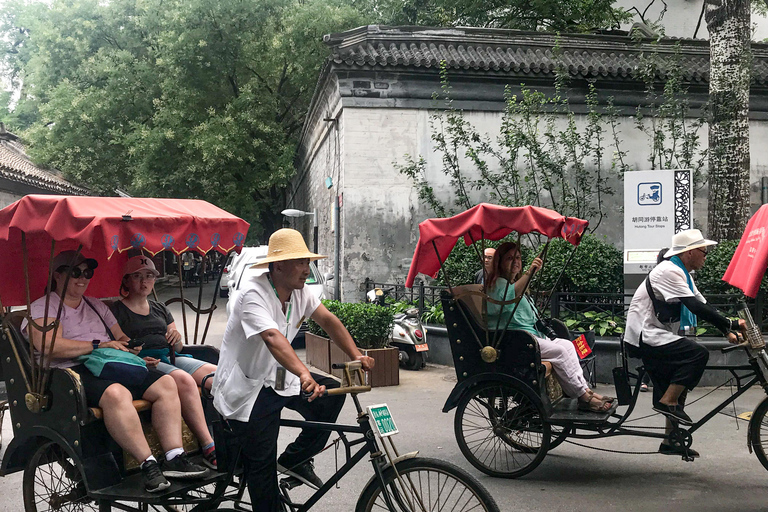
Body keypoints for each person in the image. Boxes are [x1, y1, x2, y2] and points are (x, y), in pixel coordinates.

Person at [212, 229, 375, 512]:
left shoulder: (301, 292)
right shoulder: (252, 294)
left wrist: (357, 354)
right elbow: (273, 338)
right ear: (278, 265)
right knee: (261, 469)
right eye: (300, 262)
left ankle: (293, 461)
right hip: (249, 391)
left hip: (279, 377)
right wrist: (303, 373)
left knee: (332, 397)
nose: (306, 269)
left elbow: (328, 321)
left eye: (306, 261)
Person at [23, 251, 207, 492]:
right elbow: (49, 345)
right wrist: (98, 345)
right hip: (71, 371)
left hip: (109, 361)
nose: (82, 278)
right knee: (117, 394)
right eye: (75, 272)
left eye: (86, 273)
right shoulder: (44, 307)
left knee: (166, 384)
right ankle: (148, 464)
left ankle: (174, 457)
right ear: (58, 275)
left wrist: (133, 349)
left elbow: (120, 337)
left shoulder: (96, 305)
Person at [625, 229, 746, 455]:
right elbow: (695, 307)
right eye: (704, 251)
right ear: (690, 252)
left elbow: (703, 304)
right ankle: (667, 400)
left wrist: (725, 328)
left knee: (676, 380)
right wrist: (732, 324)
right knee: (697, 354)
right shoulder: (668, 271)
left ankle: (670, 441)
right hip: (644, 335)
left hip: (658, 334)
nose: (705, 256)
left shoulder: (684, 274)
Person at [111, 255, 218, 469]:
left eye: (149, 276)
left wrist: (176, 338)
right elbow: (118, 345)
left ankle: (230, 432)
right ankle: (209, 445)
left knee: (219, 376)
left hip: (171, 357)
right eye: (137, 277)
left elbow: (178, 347)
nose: (144, 282)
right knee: (184, 380)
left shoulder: (160, 308)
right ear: (126, 281)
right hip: (146, 362)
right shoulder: (116, 310)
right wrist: (135, 355)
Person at [485, 242, 614, 412]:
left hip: (529, 335)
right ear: (499, 262)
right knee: (559, 352)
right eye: (510, 258)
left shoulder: (512, 283)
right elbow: (512, 296)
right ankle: (582, 396)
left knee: (567, 345)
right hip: (513, 340)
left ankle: (585, 389)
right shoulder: (497, 284)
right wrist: (530, 272)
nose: (516, 262)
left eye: (518, 258)